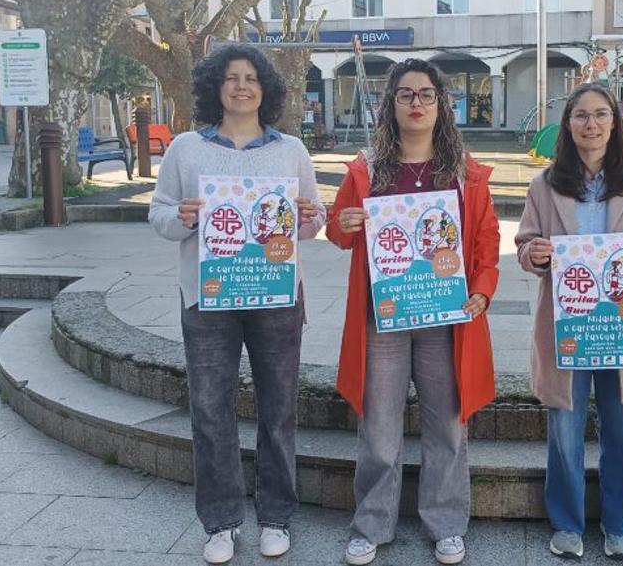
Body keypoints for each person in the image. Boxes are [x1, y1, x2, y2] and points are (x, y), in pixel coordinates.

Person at [148, 43, 325, 564]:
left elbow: (313, 222)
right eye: (231, 78)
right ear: (215, 87)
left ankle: (276, 516)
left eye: (251, 78)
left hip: (276, 295)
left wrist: (309, 216)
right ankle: (221, 522)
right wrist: (180, 217)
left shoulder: (291, 149)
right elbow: (158, 214)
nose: (242, 86)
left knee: (279, 409)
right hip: (207, 298)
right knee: (209, 409)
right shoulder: (186, 149)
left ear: (265, 88)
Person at [326, 58, 501, 566]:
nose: (416, 103)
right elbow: (337, 232)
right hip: (383, 317)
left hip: (445, 318)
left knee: (446, 425)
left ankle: (446, 524)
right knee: (379, 426)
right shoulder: (366, 169)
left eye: (426, 94)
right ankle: (371, 524)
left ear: (442, 105)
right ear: (391, 104)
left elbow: (487, 240)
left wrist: (482, 290)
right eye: (405, 94)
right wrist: (345, 222)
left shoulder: (466, 173)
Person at [515, 82, 623, 561]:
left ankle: (618, 523)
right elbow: (524, 244)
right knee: (565, 432)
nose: (592, 124)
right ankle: (567, 522)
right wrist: (535, 253)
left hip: (621, 325)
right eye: (581, 115)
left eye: (602, 114)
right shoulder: (544, 185)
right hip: (568, 324)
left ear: (615, 123)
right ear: (568, 125)